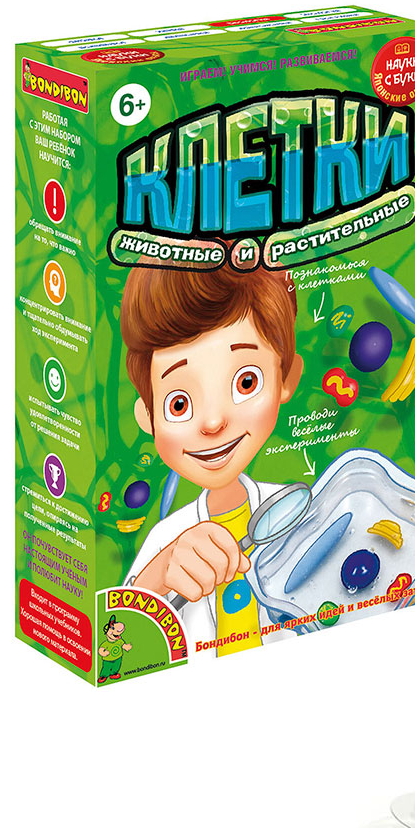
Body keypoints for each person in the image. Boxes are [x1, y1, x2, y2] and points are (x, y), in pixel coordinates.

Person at [121, 264, 304, 655]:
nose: (213, 422)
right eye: (179, 403)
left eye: (246, 382)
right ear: (148, 417)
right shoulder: (166, 542)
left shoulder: (294, 509)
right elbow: (115, 646)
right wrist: (158, 578)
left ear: (286, 379)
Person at [96, 616, 132, 682]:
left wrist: (126, 647)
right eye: (112, 628)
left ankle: (113, 674)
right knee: (106, 668)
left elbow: (123, 645)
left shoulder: (119, 641)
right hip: (108, 659)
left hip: (118, 657)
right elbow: (100, 650)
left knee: (116, 666)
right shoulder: (106, 643)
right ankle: (103, 676)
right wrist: (103, 653)